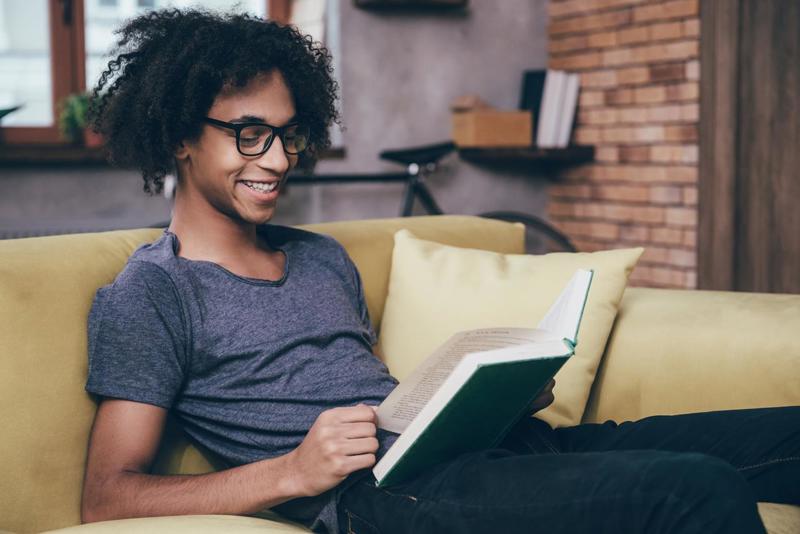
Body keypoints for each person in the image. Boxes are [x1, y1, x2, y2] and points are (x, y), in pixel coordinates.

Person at [82, 8, 799, 534]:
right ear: (179, 135)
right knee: (688, 490)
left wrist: (497, 397)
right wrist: (291, 474)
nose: (276, 160)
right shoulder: (153, 291)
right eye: (249, 134)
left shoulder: (321, 258)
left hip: (493, 451)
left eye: (288, 134)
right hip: (391, 498)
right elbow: (107, 496)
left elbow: (378, 398)